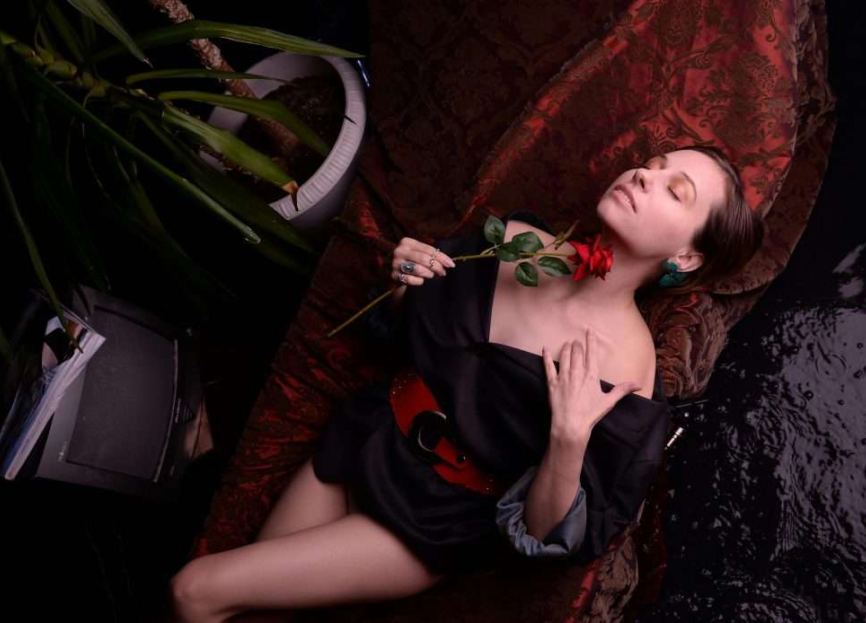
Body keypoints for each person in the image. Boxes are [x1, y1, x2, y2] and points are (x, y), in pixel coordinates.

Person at [165, 146, 764, 622]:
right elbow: (410, 333)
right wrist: (405, 280)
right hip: (365, 436)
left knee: (195, 590)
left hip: (426, 519)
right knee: (251, 610)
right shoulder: (517, 243)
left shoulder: (627, 377)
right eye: (652, 165)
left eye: (675, 191)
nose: (643, 176)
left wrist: (569, 436)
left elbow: (545, 537)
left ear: (687, 257)